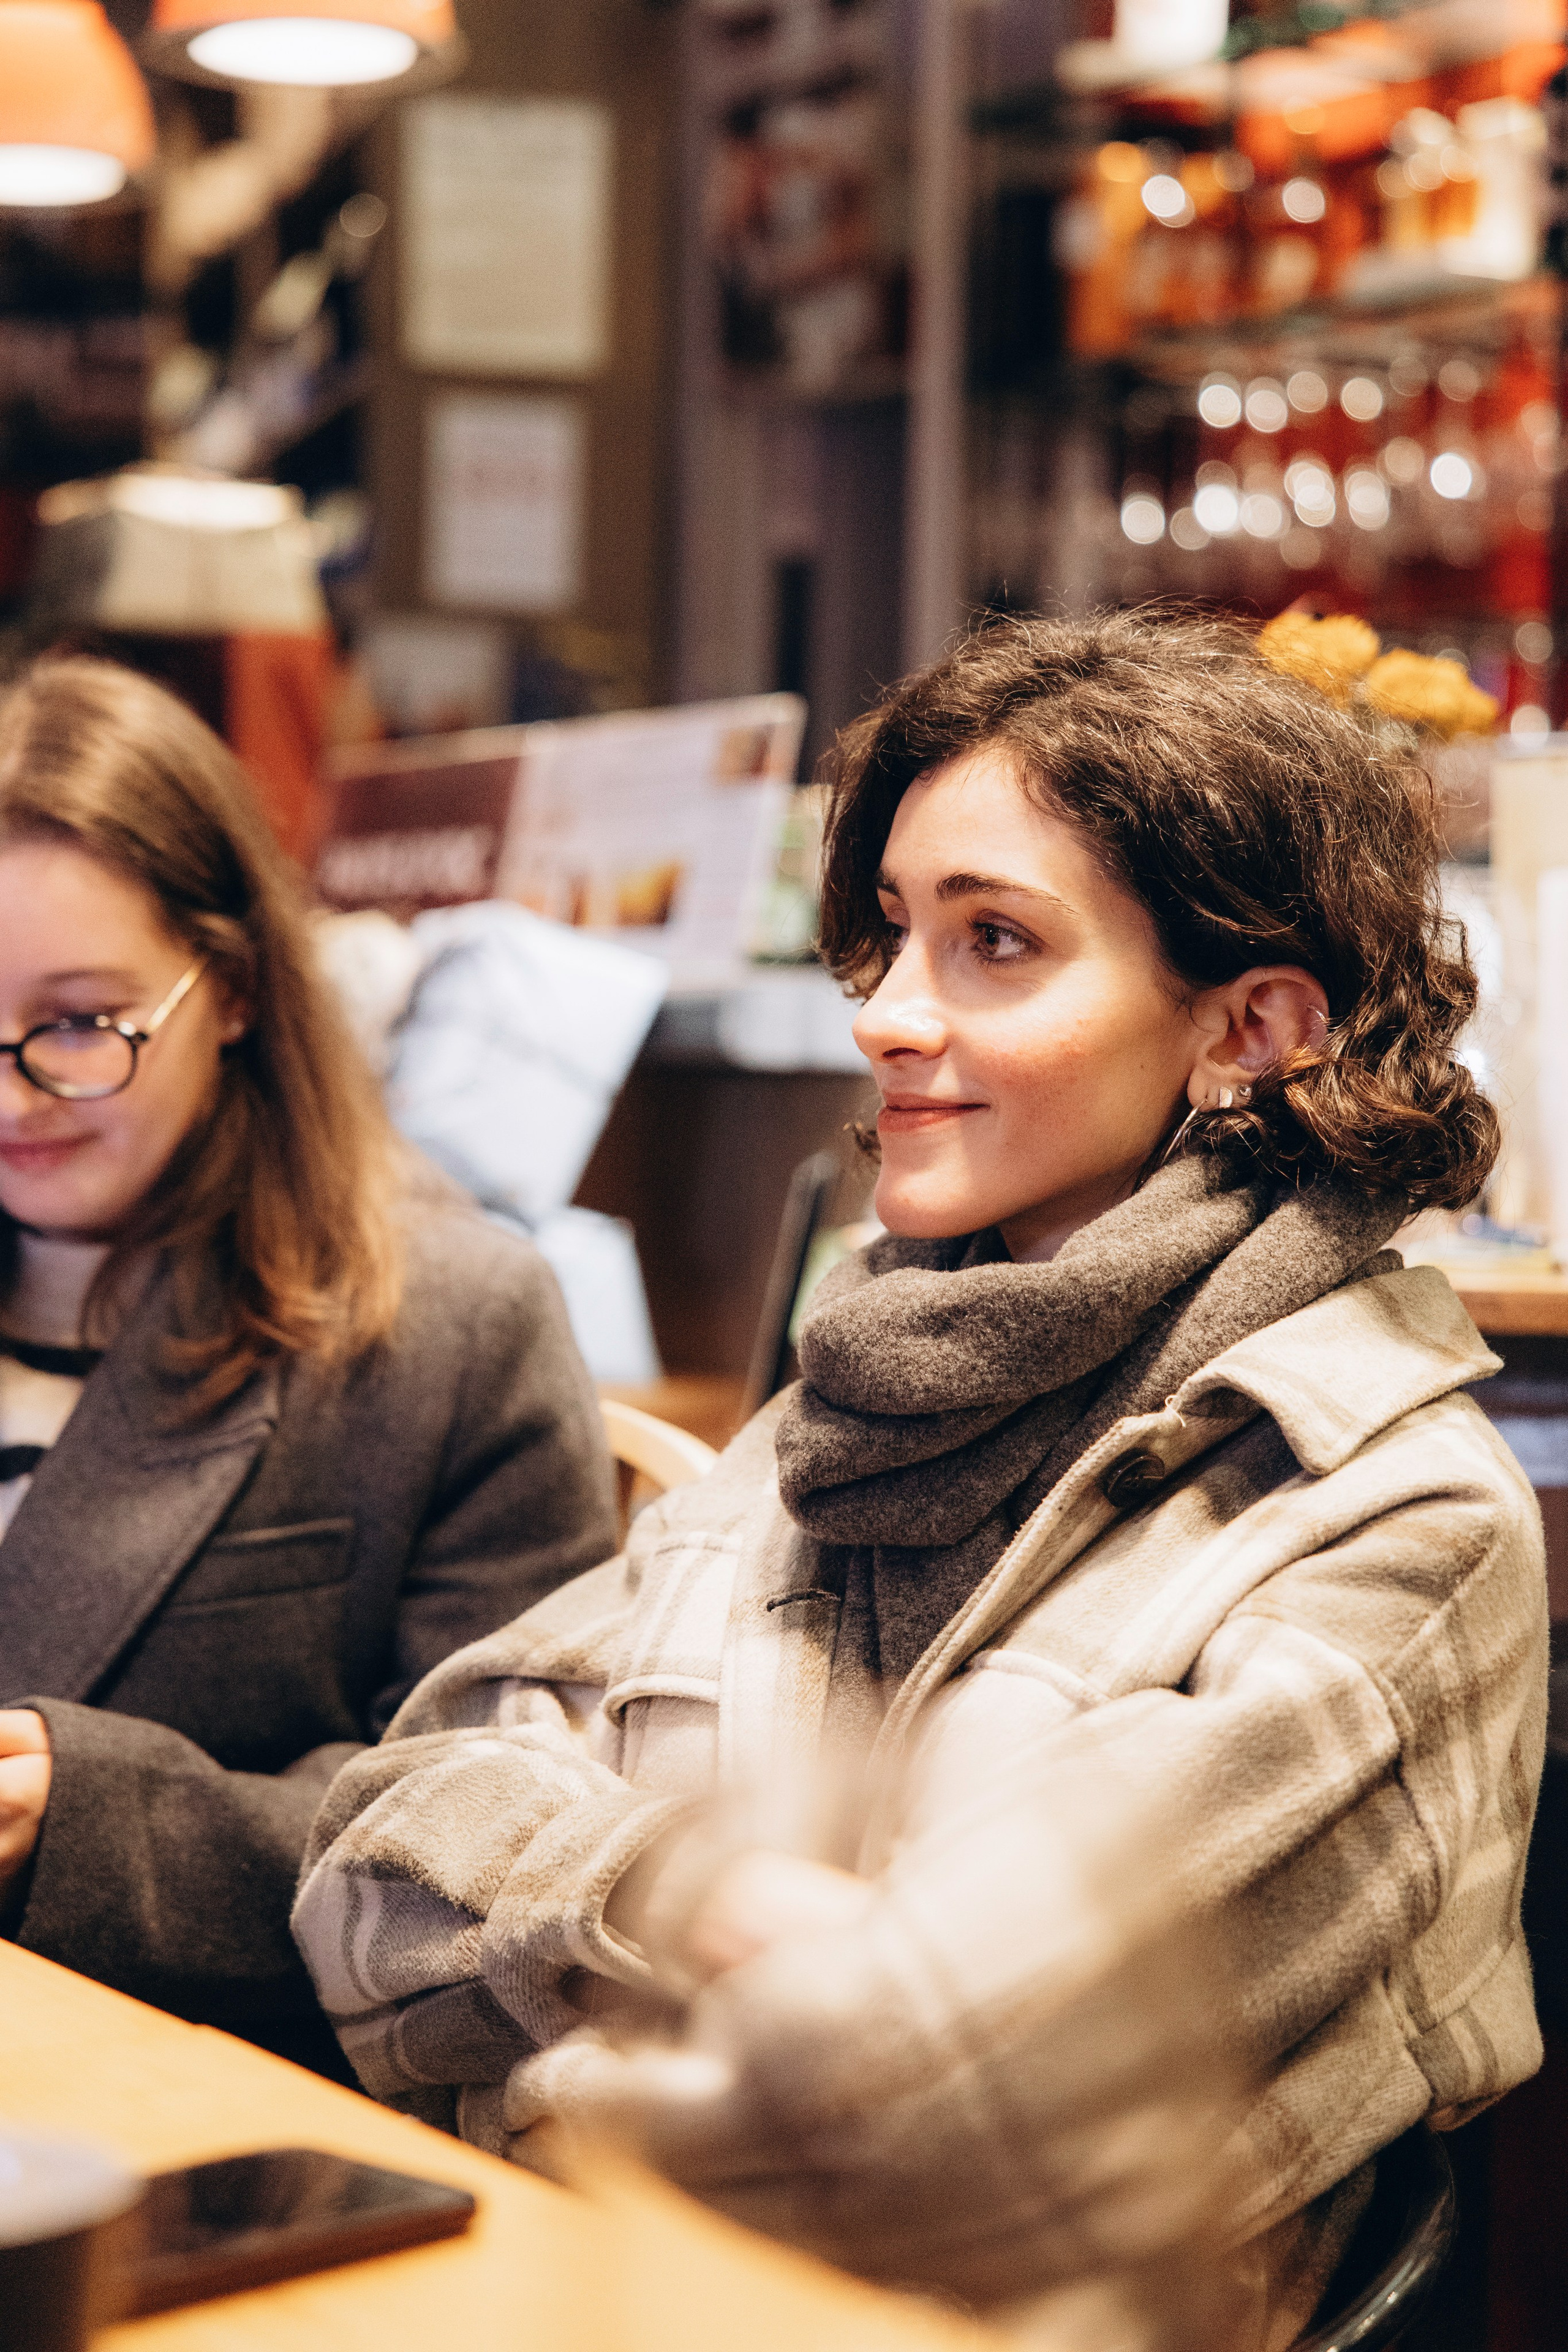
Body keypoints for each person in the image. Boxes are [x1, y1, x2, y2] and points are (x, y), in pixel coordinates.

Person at [293, 611, 1547, 2339]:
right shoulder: (873, 1386)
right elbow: (366, 1864)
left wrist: (530, 2053)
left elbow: (916, 2133)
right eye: (890, 933)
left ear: (1251, 1027)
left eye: (996, 946)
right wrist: (684, 1892)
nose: (887, 1013)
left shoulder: (1388, 1516)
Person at [0, 655, 617, 2074]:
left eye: (83, 1023)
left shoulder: (447, 1322)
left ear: (226, 991)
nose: (17, 1089)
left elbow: (507, 1832)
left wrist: (92, 1822)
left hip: (182, 2099)